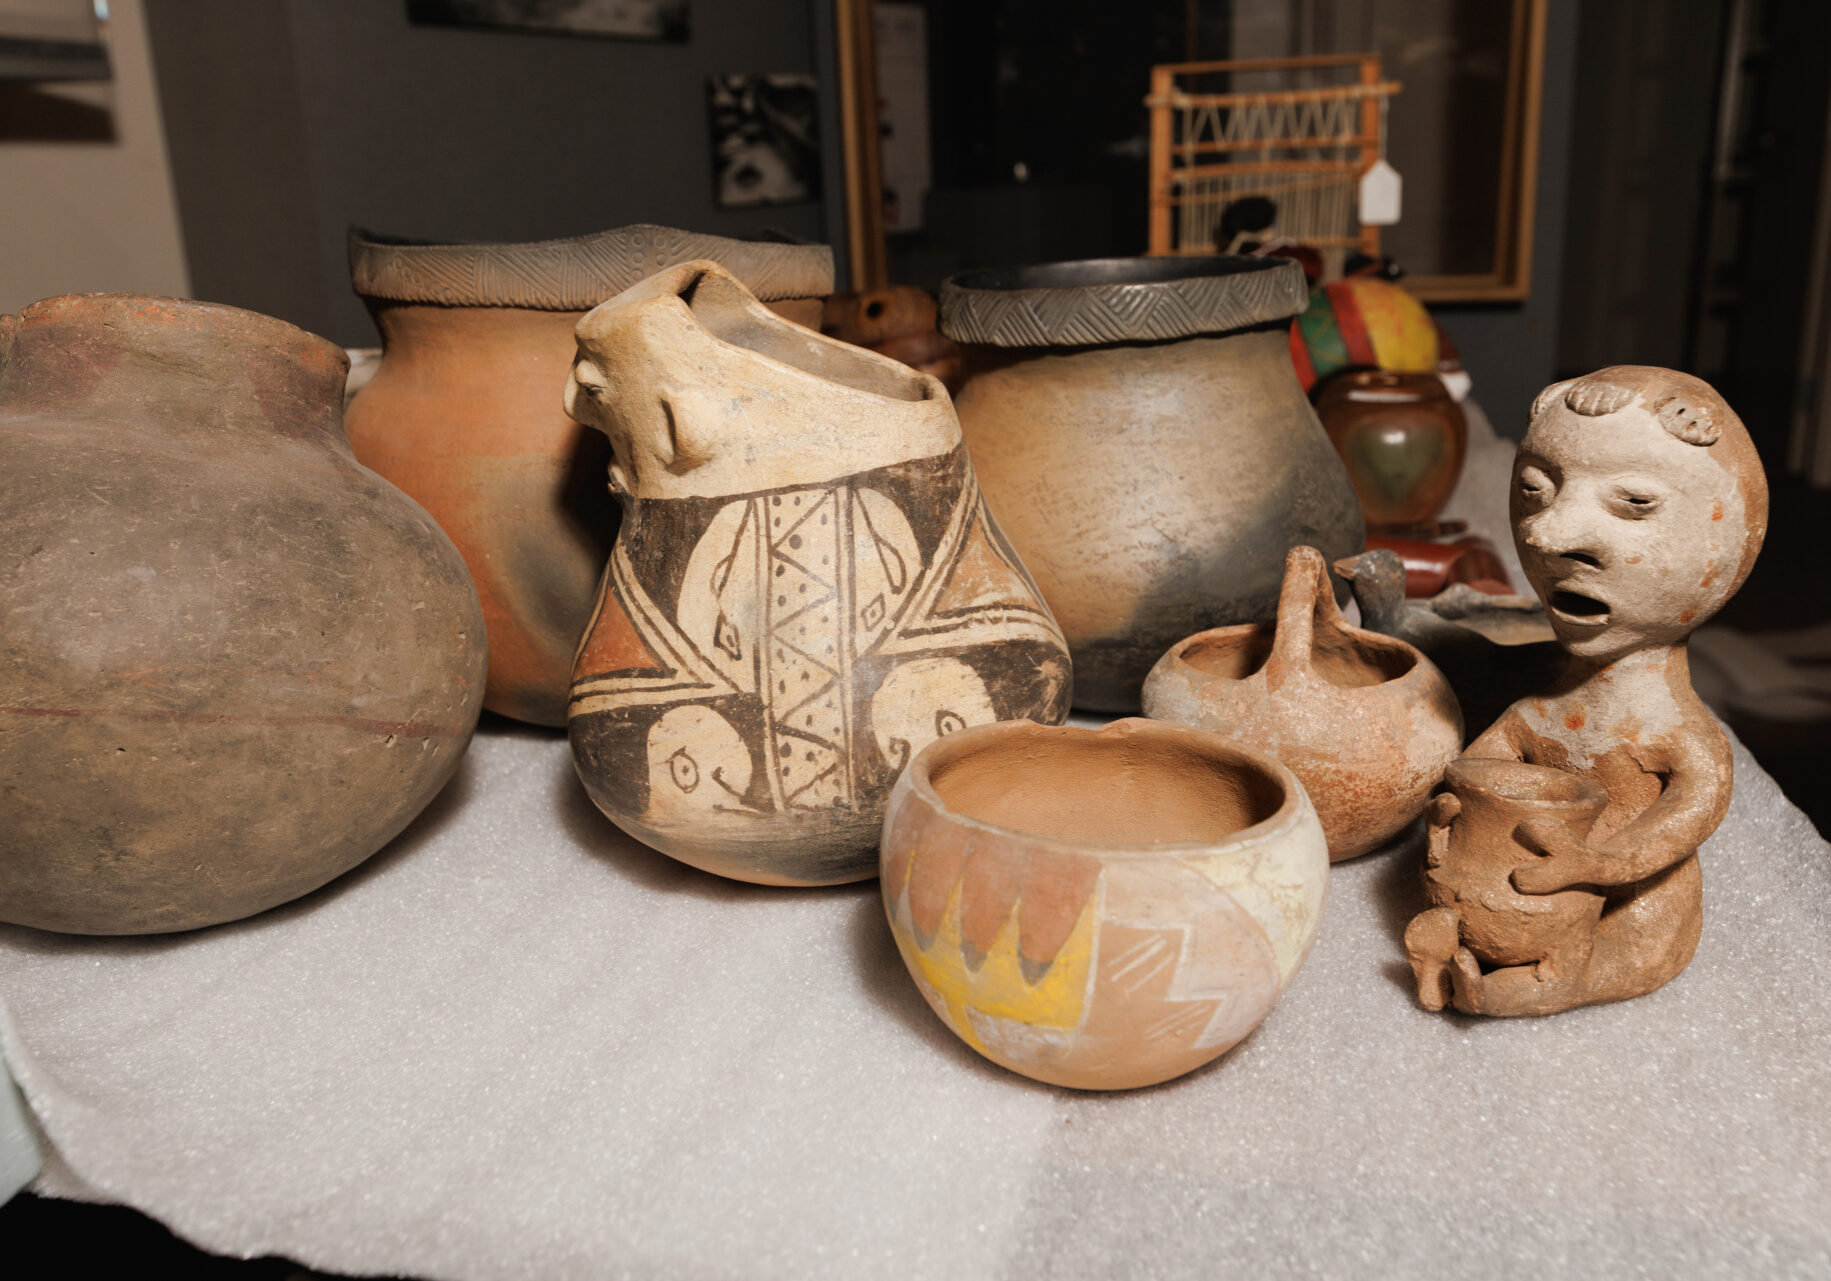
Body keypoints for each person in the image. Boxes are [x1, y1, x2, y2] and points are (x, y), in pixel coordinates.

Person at [1407, 366, 1768, 1016]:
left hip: (1628, 894)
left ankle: (1547, 981)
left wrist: (1600, 862)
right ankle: (1475, 954)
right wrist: (1454, 805)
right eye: (1534, 491)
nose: (1546, 535)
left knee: (1646, 932)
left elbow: (1694, 800)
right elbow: (1477, 769)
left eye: (1634, 502)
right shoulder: (1534, 713)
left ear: (1731, 537)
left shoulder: (1678, 735)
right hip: (1514, 881)